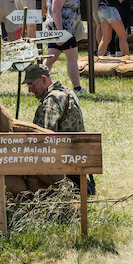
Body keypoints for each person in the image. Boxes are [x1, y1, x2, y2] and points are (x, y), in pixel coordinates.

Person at [24, 63, 93, 194]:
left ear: (43, 79)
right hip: (77, 159)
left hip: (62, 164)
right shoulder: (67, 91)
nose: (30, 91)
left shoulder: (52, 100)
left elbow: (44, 139)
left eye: (31, 85)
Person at [42, 0, 85, 93]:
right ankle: (77, 88)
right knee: (72, 59)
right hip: (63, 30)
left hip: (61, 30)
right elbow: (56, 10)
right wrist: (60, 32)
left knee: (50, 58)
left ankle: (39, 83)